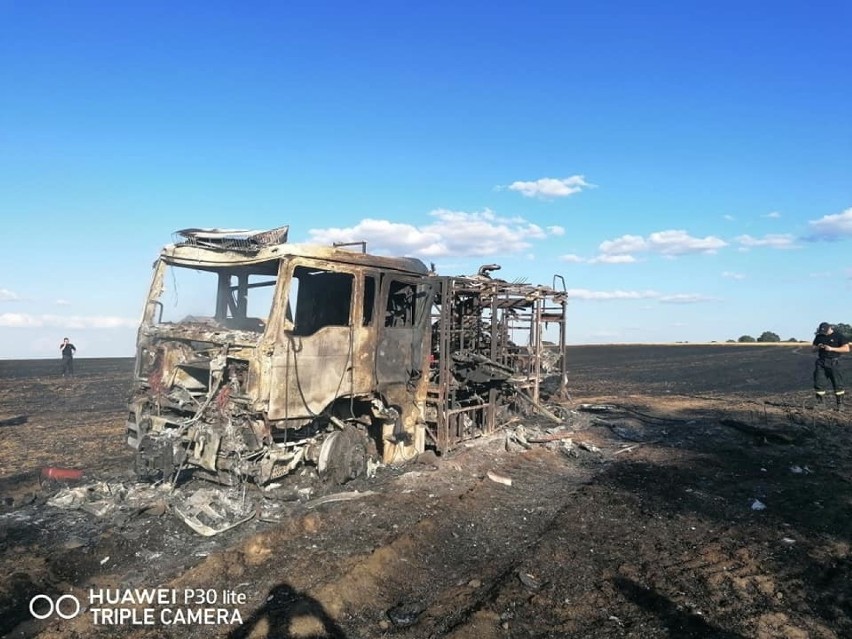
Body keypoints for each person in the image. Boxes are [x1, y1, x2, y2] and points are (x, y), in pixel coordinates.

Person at [812, 322, 849, 410]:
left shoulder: (838, 336)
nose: (824, 333)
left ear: (830, 328)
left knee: (838, 384)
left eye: (825, 331)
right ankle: (821, 404)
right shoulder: (819, 337)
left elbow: (846, 349)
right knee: (819, 383)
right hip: (821, 363)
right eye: (822, 331)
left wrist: (832, 348)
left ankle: (840, 404)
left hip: (834, 362)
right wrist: (818, 347)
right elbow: (813, 349)